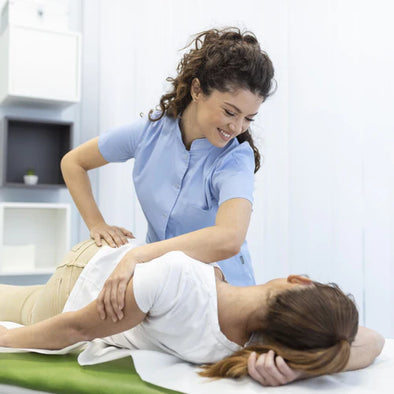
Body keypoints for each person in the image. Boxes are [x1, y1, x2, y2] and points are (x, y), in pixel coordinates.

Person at [60, 27, 276, 323]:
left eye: (248, 118)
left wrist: (138, 256)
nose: (238, 127)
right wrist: (96, 224)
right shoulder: (150, 133)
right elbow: (73, 163)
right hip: (157, 289)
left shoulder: (235, 158)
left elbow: (229, 238)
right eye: (230, 112)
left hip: (220, 298)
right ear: (197, 90)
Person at [0, 240, 384, 387]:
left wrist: (5, 339)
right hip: (102, 282)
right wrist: (303, 366)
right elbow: (373, 341)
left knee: (14, 302)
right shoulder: (248, 345)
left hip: (77, 283)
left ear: (299, 281)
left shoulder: (176, 279)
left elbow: (75, 328)